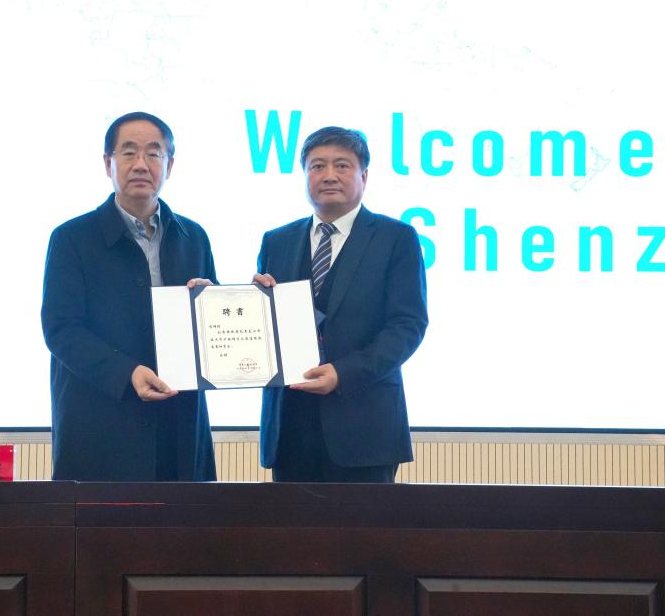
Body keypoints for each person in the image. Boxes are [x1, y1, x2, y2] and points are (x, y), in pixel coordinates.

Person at [41, 112, 217, 481]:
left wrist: (218, 309)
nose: (141, 164)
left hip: (178, 426)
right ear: (108, 163)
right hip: (100, 426)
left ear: (170, 165)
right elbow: (62, 331)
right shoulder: (71, 238)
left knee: (184, 518)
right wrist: (128, 373)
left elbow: (211, 330)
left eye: (153, 153)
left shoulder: (193, 237)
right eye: (128, 152)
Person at [254, 126, 428, 483]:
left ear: (364, 175)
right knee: (289, 523)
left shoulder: (396, 238)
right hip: (289, 428)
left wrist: (342, 374)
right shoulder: (277, 241)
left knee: (364, 524)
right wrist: (253, 306)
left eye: (342, 165)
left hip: (365, 427)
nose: (329, 175)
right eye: (317, 166)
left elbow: (407, 326)